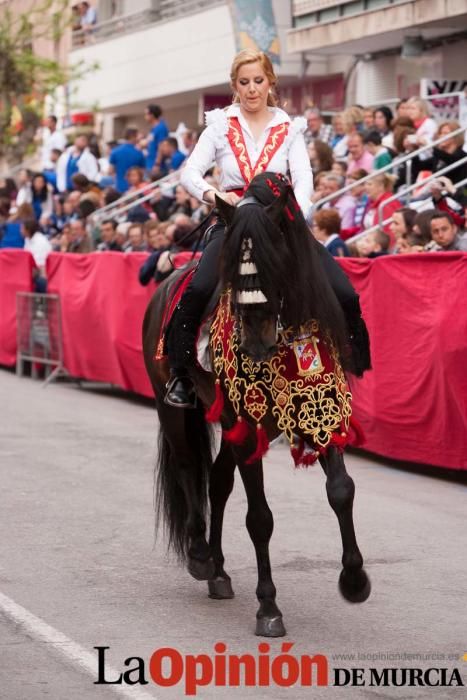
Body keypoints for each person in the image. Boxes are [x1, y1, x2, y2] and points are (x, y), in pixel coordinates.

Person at [166, 49, 367, 407]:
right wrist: (214, 195)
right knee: (198, 289)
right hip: (233, 221)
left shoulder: (289, 127)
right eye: (244, 82)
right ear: (234, 86)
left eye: (258, 80)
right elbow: (189, 173)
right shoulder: (219, 126)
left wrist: (294, 211)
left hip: (280, 222)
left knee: (345, 292)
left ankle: (351, 353)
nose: (252, 89)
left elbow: (304, 178)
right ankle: (182, 375)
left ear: (270, 81)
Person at [109, 128, 146, 193]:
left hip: (119, 187)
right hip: (134, 189)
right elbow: (142, 172)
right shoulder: (139, 153)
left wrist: (117, 180)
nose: (139, 139)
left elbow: (110, 171)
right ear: (132, 137)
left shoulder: (115, 151)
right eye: (137, 136)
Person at [21, 218, 52, 292]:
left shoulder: (40, 242)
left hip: (43, 274)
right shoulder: (27, 239)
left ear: (28, 230)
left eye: (22, 228)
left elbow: (38, 267)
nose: (20, 231)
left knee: (40, 282)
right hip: (31, 271)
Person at [144, 104, 169, 173]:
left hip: (157, 166)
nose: (145, 117)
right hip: (150, 163)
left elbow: (161, 146)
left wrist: (157, 164)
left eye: (146, 114)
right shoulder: (153, 129)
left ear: (152, 115)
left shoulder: (161, 128)